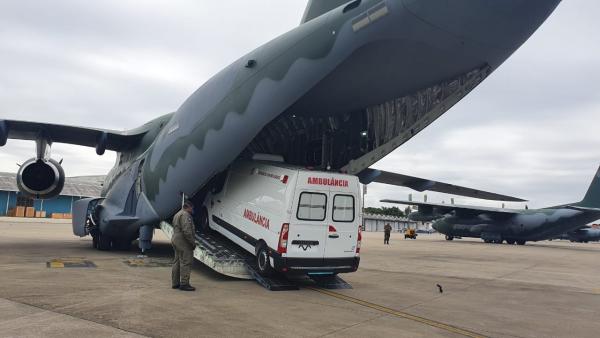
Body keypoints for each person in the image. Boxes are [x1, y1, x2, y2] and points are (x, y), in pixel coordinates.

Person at [171, 200, 197, 291]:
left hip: (175, 238)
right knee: (186, 261)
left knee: (177, 261)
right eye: (192, 208)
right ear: (188, 207)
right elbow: (187, 231)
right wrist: (192, 243)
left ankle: (175, 283)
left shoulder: (177, 214)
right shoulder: (186, 215)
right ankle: (184, 284)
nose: (192, 210)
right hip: (183, 241)